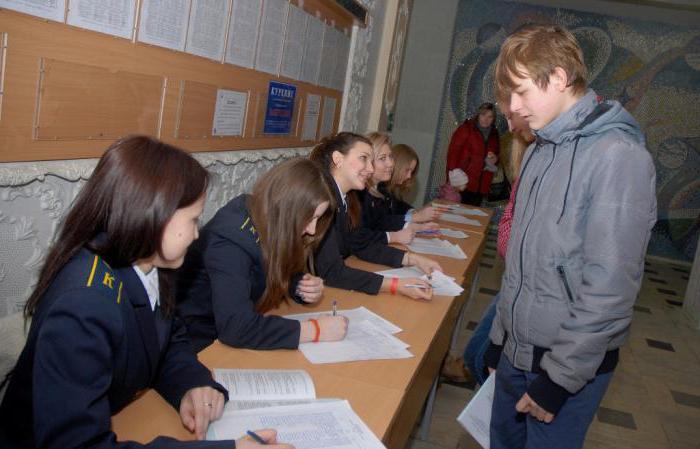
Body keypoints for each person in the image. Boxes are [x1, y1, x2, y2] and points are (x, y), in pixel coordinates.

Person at [0, 136, 289, 448]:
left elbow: (165, 338)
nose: (196, 234)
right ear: (154, 216)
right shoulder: (83, 305)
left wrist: (191, 382)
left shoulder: (146, 262)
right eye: (192, 220)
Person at [484, 24, 656, 449]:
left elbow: (610, 286)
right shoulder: (542, 146)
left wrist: (559, 379)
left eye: (522, 92)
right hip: (516, 352)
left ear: (559, 79)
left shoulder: (618, 155)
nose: (514, 107)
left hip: (565, 367)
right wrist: (498, 340)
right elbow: (522, 261)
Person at [176, 158, 348, 353]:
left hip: (229, 336)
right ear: (285, 208)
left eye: (317, 218)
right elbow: (236, 328)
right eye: (309, 217)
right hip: (200, 344)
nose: (312, 229)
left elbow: (261, 270)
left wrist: (299, 285)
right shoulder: (229, 241)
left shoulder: (263, 213)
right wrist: (314, 330)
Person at [310, 132, 441, 300]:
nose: (371, 169)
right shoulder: (323, 199)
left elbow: (360, 244)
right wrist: (395, 285)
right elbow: (333, 272)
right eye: (364, 158)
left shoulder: (346, 198)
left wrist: (412, 259)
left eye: (371, 161)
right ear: (338, 159)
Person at [460, 93, 535, 386]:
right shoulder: (524, 154)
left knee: (483, 358)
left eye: (508, 115)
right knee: (479, 355)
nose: (506, 123)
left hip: (527, 284)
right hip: (517, 278)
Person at [357, 133, 438, 245]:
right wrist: (412, 221)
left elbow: (383, 220)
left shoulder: (377, 188)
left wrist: (414, 222)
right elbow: (368, 231)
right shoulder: (359, 193)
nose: (390, 163)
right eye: (383, 158)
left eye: (390, 157)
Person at [446, 102, 500, 206]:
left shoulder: (494, 134)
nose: (486, 119)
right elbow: (452, 153)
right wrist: (453, 178)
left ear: (493, 119)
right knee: (456, 217)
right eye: (483, 115)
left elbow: (498, 156)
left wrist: (495, 159)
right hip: (463, 182)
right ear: (478, 115)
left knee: (471, 219)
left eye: (490, 116)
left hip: (482, 185)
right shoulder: (466, 129)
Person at [386, 143, 440, 222]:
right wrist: (415, 217)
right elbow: (384, 221)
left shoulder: (393, 188)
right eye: (407, 170)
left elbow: (399, 205)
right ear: (396, 165)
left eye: (411, 172)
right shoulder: (380, 188)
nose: (409, 176)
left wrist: (412, 211)